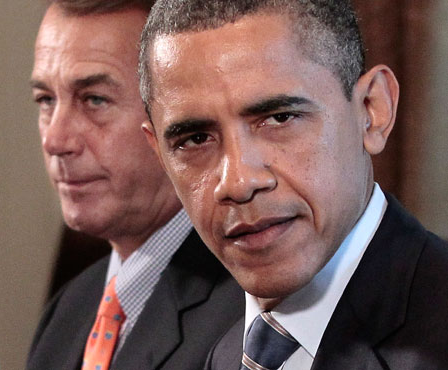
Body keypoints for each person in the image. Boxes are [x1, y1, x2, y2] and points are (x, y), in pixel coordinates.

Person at [138, 0, 448, 369]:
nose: (238, 182)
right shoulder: (211, 348)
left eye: (280, 118)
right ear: (159, 155)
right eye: (194, 140)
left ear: (371, 110)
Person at [27, 1, 244, 369]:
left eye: (94, 99)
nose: (55, 140)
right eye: (46, 100)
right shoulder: (67, 311)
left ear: (180, 117)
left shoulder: (252, 313)